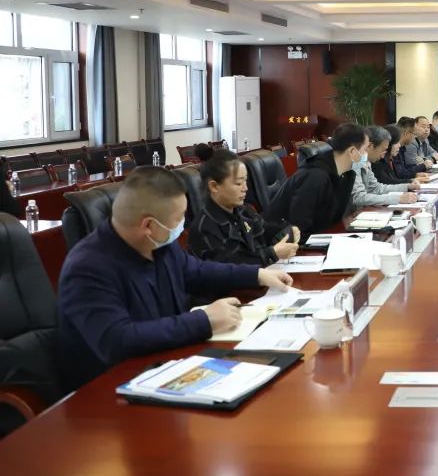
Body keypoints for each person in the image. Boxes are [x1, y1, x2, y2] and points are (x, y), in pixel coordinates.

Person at [56, 167, 293, 391]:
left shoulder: (158, 244)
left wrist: (256, 274)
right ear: (148, 225)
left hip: (169, 364)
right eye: (179, 219)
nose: (183, 225)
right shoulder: (87, 268)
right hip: (113, 391)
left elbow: (197, 271)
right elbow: (118, 340)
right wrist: (204, 321)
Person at [188, 150, 300, 266]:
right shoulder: (204, 228)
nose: (245, 188)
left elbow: (265, 231)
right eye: (238, 183)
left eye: (245, 181)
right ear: (214, 186)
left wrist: (287, 231)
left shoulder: (244, 210)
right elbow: (231, 268)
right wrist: (272, 253)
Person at [264, 123, 365, 243]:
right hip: (282, 242)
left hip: (317, 237)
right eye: (365, 149)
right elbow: (298, 228)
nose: (366, 155)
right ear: (352, 151)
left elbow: (337, 218)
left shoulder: (347, 175)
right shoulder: (315, 177)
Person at [352, 126, 420, 207]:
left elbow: (376, 188)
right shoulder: (355, 163)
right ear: (370, 146)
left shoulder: (367, 162)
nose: (382, 156)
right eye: (383, 150)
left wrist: (407, 186)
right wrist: (398, 199)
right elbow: (358, 198)